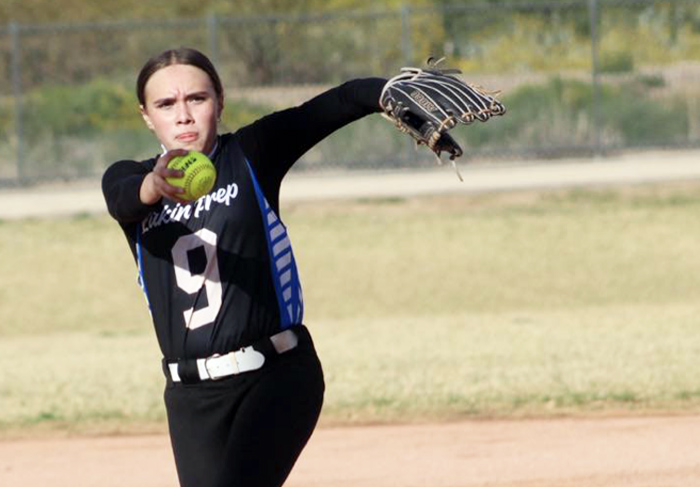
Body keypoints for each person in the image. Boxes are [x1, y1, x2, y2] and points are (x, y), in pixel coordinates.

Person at [101, 47, 388, 487]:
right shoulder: (129, 178)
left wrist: (384, 91)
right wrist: (153, 184)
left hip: (276, 377)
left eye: (197, 98)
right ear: (146, 115)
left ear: (220, 100)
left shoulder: (251, 154)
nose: (184, 115)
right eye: (166, 104)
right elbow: (120, 197)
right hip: (190, 398)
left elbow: (335, 104)